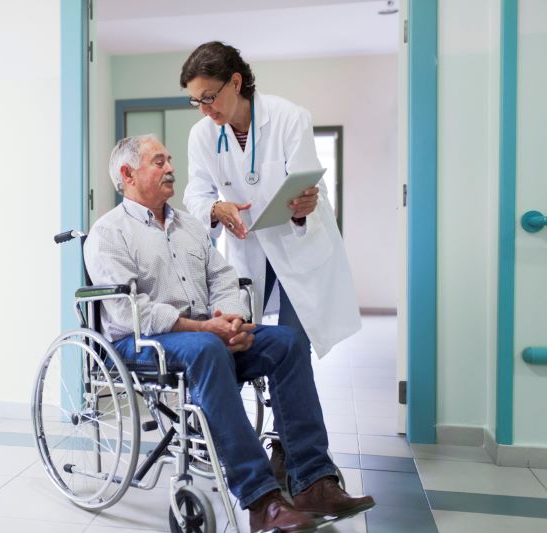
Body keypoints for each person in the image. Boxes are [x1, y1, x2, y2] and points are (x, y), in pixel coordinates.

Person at [84, 135, 374, 533]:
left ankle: (313, 481)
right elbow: (129, 310)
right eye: (158, 162)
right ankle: (260, 499)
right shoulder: (108, 233)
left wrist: (233, 320)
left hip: (208, 337)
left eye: (169, 159)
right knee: (206, 349)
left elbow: (223, 280)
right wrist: (205, 328)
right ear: (127, 174)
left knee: (287, 342)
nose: (171, 168)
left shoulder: (189, 224)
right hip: (140, 343)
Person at [180, 41, 362, 488]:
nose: (204, 109)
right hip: (248, 250)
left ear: (236, 82)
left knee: (295, 351)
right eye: (195, 100)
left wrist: (301, 205)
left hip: (299, 250)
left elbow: (304, 186)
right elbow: (196, 193)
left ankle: (298, 457)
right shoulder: (202, 135)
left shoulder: (287, 117)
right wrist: (213, 211)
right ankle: (296, 458)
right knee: (266, 350)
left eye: (210, 97)